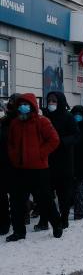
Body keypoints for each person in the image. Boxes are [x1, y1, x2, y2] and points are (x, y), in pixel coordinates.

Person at [7, 93, 63, 241]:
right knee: (16, 202)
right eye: (20, 105)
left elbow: (54, 140)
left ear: (32, 106)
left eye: (25, 104)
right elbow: (11, 143)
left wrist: (40, 154)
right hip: (19, 169)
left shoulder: (42, 121)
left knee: (45, 200)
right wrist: (14, 157)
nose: (22, 107)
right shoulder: (15, 123)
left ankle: (57, 224)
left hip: (39, 169)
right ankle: (19, 231)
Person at [36, 92, 79, 231]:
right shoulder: (45, 116)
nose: (51, 103)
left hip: (64, 161)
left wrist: (62, 142)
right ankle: (44, 220)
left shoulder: (68, 117)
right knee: (45, 194)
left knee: (63, 194)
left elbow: (76, 135)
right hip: (47, 160)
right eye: (49, 100)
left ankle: (64, 219)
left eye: (54, 100)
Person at [0, 94, 20, 236]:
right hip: (3, 162)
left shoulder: (22, 121)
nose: (10, 104)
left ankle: (18, 223)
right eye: (10, 102)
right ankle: (4, 223)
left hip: (17, 163)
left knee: (16, 196)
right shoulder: (3, 121)